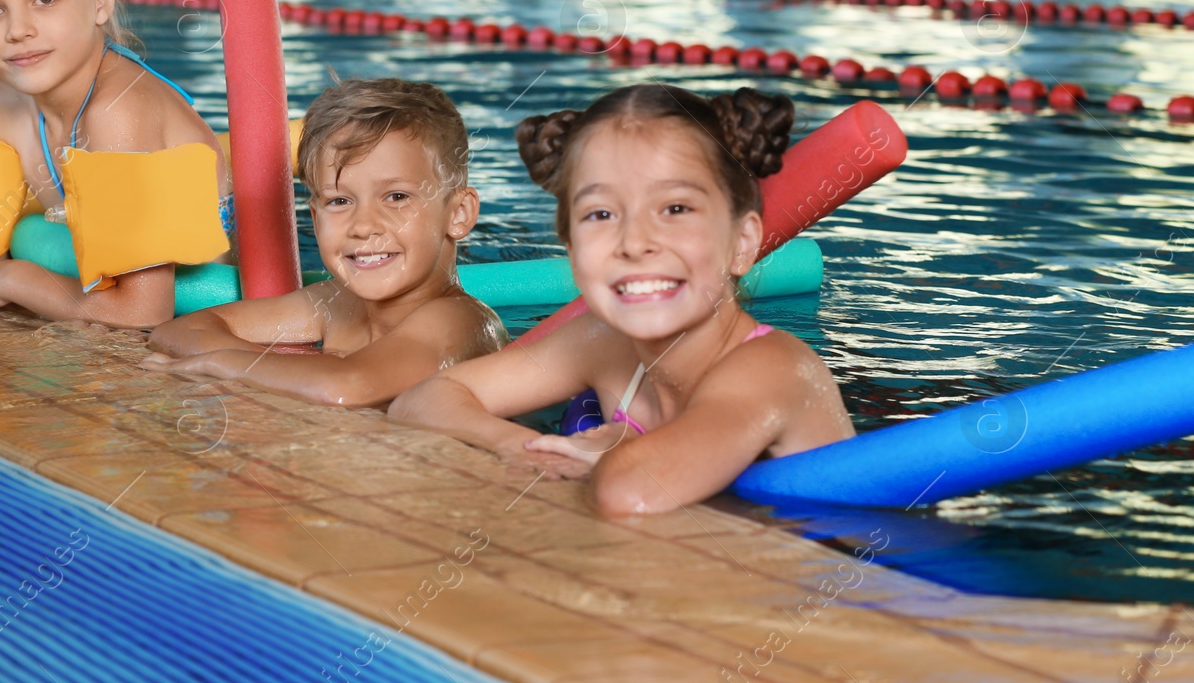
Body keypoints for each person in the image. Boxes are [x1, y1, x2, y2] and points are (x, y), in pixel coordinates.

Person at [388, 84, 853, 516]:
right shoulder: (601, 341)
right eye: (601, 213)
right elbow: (422, 400)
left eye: (676, 209)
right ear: (571, 250)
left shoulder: (773, 368)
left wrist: (615, 447)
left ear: (742, 242)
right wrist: (517, 444)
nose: (635, 241)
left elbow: (629, 492)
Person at [0, 0, 229, 327]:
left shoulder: (118, 112)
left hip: (211, 309)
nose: (18, 29)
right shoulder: (2, 107)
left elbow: (142, 310)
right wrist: (0, 274)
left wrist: (15, 280)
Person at [145, 78, 506, 406]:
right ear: (315, 218)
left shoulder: (458, 323)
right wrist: (291, 370)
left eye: (397, 197)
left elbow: (346, 386)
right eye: (340, 201)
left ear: (458, 214)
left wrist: (223, 363)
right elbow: (178, 331)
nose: (363, 226)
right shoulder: (335, 304)